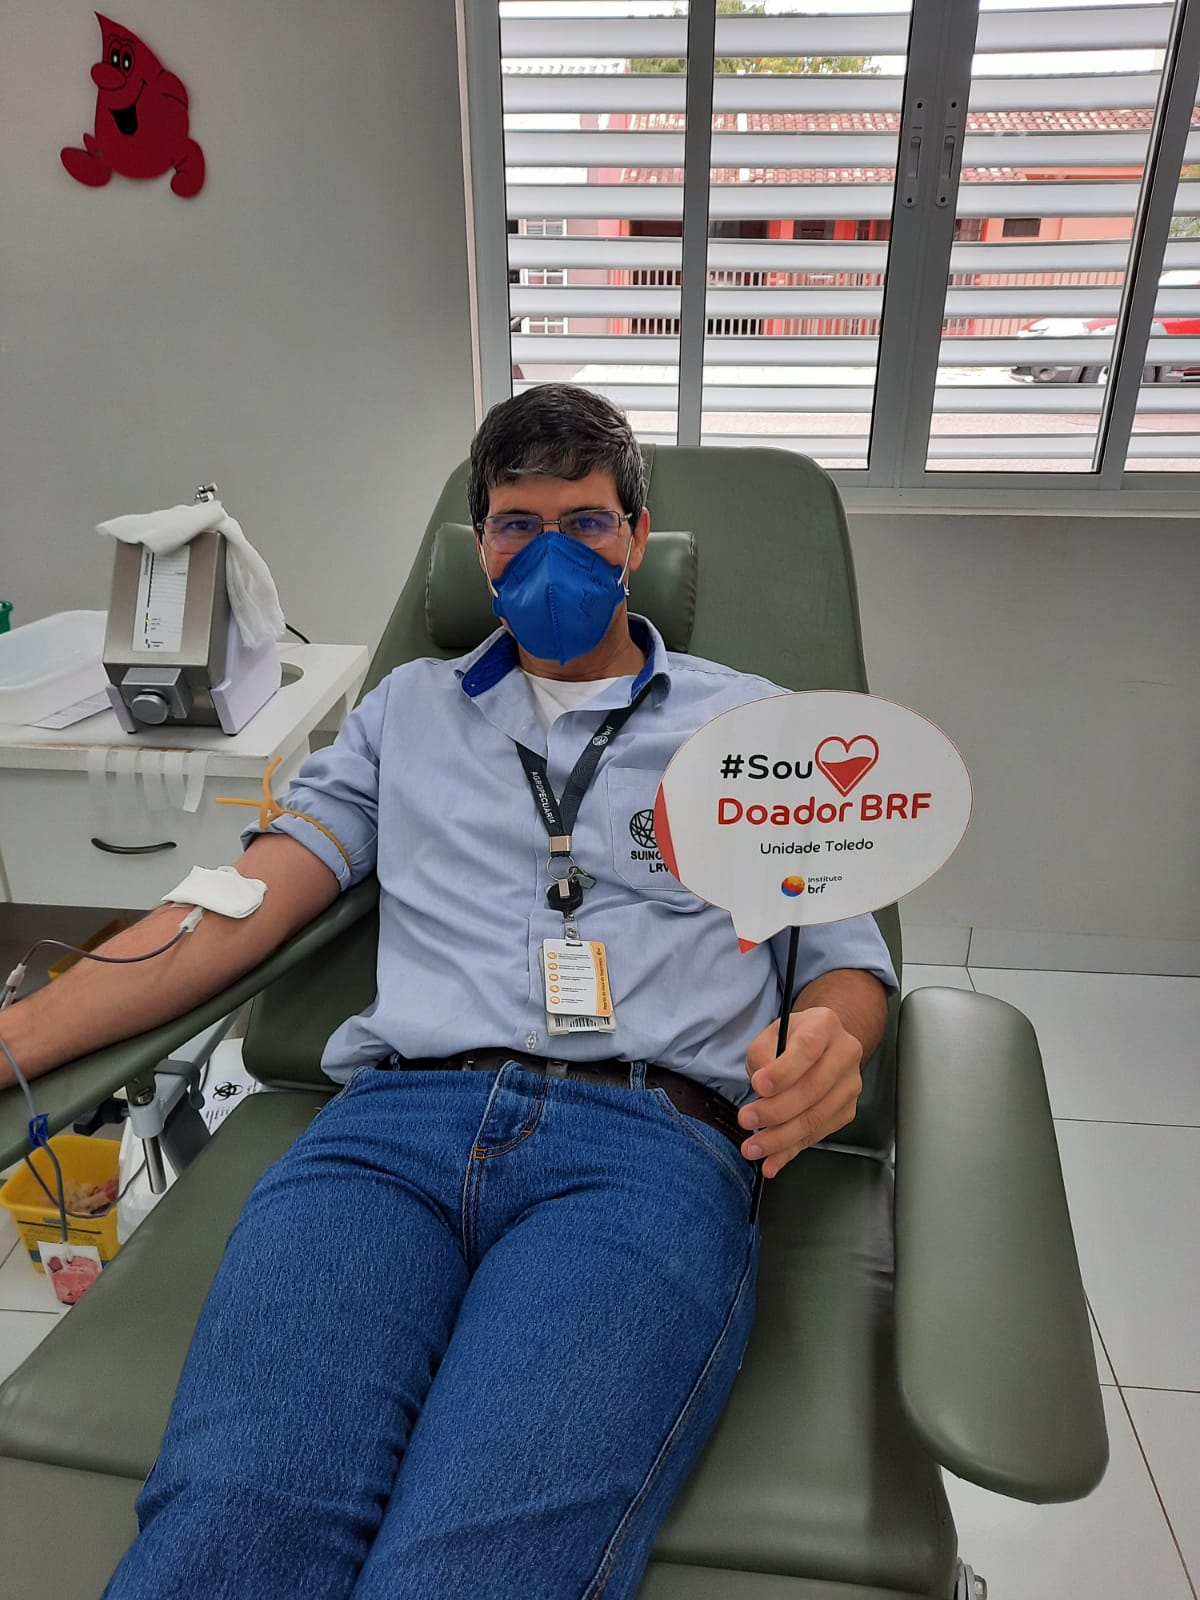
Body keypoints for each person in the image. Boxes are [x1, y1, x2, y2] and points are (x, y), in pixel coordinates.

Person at [0, 386, 895, 1599]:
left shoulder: (750, 726)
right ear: (482, 546)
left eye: (586, 521)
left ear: (639, 537)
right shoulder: (404, 714)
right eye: (518, 523)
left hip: (645, 1149)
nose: (550, 550)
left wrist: (833, 1040)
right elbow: (239, 904)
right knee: (234, 1517)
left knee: (469, 1564)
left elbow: (844, 958)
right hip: (387, 1137)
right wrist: (16, 1036)